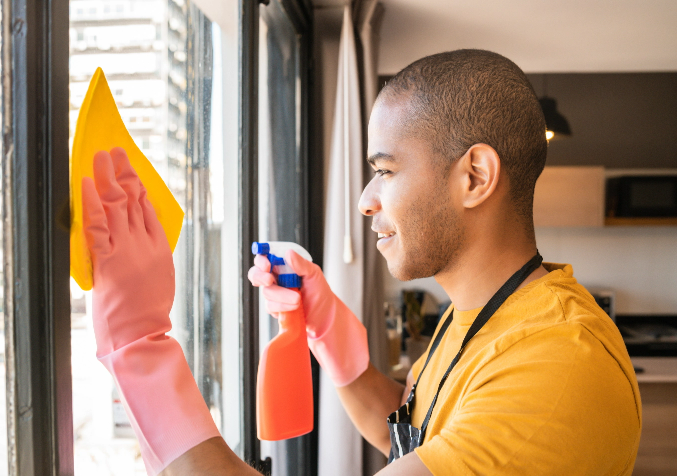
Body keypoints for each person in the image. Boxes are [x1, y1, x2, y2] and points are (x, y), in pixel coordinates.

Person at [83, 49, 641, 476]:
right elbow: (415, 429)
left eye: (387, 170)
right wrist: (330, 336)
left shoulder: (559, 367)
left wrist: (141, 350)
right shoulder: (479, 316)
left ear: (475, 177)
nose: (365, 199)